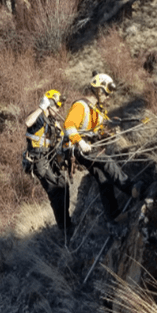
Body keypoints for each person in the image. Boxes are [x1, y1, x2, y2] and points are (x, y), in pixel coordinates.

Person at [63, 72, 139, 226]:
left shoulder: (97, 110)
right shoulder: (81, 106)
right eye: (107, 93)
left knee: (103, 178)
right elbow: (68, 125)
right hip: (78, 147)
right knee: (106, 161)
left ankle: (114, 215)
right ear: (98, 90)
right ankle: (130, 188)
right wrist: (80, 142)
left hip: (89, 146)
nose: (108, 97)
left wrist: (109, 134)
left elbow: (97, 131)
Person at [23, 89, 72, 233]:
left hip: (50, 158)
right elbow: (27, 122)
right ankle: (64, 227)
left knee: (64, 185)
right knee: (55, 191)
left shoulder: (53, 121)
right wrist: (41, 107)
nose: (59, 109)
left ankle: (66, 221)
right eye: (57, 105)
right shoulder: (39, 117)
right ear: (49, 104)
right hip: (38, 160)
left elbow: (62, 137)